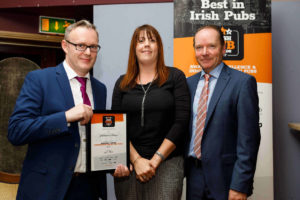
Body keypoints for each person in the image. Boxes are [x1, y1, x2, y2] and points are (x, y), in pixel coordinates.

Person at [8, 20, 112, 200]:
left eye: (93, 47)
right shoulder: (40, 79)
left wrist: (114, 164)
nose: (87, 52)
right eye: (81, 46)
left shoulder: (100, 89)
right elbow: (17, 130)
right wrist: (65, 117)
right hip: (46, 190)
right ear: (65, 46)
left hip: (87, 189)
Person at [111, 24, 190, 200]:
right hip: (130, 166)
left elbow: (181, 122)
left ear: (159, 47)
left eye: (152, 40)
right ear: (134, 48)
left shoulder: (175, 77)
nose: (146, 44)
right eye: (141, 41)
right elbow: (115, 125)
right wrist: (137, 160)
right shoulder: (122, 83)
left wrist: (154, 161)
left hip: (167, 163)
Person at [186, 25, 261, 200]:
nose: (204, 52)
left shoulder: (242, 83)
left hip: (226, 181)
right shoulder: (188, 84)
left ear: (224, 48)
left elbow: (249, 140)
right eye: (199, 47)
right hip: (193, 178)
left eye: (211, 46)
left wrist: (240, 185)